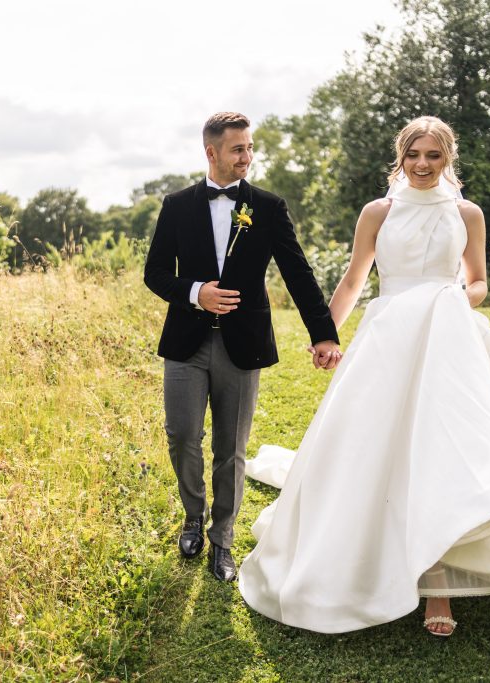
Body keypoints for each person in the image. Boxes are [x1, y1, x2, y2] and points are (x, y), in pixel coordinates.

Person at [237, 115, 490, 636]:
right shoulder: (378, 212)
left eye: (434, 156)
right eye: (414, 155)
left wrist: (451, 299)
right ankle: (365, 556)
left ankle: (439, 580)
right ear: (400, 158)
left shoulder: (467, 213)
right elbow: (356, 278)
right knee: (374, 448)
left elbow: (478, 283)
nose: (423, 165)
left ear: (449, 158)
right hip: (388, 338)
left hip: (445, 341)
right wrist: (325, 333)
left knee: (442, 451)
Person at [143, 112, 341, 582]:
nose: (247, 157)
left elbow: (298, 272)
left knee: (231, 447)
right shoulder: (177, 205)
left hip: (242, 343)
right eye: (237, 150)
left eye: (250, 148)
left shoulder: (268, 207)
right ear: (211, 153)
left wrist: (324, 332)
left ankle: (223, 538)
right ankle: (194, 515)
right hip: (186, 344)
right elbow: (155, 274)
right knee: (182, 435)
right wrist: (196, 293)